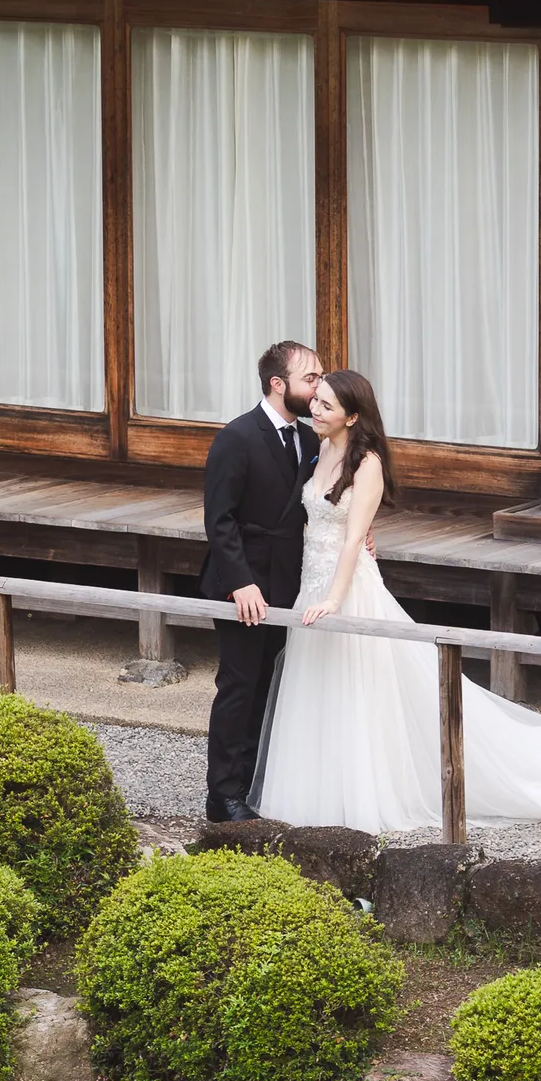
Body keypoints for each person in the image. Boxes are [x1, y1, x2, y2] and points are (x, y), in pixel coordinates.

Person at [253, 368, 541, 833]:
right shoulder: (318, 449)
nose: (314, 408)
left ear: (353, 417)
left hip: (346, 589)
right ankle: (321, 791)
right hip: (311, 583)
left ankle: (366, 795)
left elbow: (354, 539)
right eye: (316, 400)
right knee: (321, 687)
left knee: (365, 687)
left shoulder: (368, 462)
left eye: (326, 405)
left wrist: (335, 599)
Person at [199, 337, 322, 824]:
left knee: (271, 687)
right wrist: (241, 583)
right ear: (278, 384)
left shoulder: (310, 439)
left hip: (290, 583)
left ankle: (254, 785)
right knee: (239, 685)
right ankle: (223, 794)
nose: (318, 387)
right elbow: (219, 519)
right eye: (309, 378)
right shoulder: (237, 437)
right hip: (243, 586)